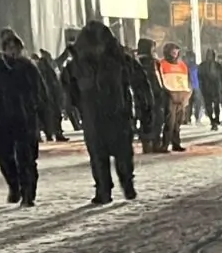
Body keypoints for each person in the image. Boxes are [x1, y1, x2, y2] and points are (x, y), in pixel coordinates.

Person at [63, 21, 138, 205]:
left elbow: (138, 83)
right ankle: (103, 190)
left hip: (117, 114)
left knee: (123, 156)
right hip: (94, 117)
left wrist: (145, 109)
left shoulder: (119, 61)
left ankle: (126, 183)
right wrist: (73, 107)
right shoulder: (76, 67)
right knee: (98, 156)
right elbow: (69, 90)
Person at [0, 29, 45, 206]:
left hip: (26, 119)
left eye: (15, 47)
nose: (13, 51)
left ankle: (28, 193)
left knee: (27, 158)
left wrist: (43, 117)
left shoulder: (29, 67)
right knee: (5, 158)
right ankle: (14, 187)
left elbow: (41, 93)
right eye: (9, 48)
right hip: (4, 118)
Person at [133, 37, 167, 153]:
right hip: (144, 95)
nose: (154, 50)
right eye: (152, 47)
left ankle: (156, 143)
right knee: (147, 119)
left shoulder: (155, 62)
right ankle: (147, 144)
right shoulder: (137, 62)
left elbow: (159, 78)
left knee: (158, 119)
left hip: (157, 94)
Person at [157, 42, 193, 152]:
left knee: (178, 121)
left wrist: (188, 93)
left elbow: (187, 80)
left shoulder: (182, 65)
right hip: (169, 95)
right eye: (173, 51)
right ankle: (165, 144)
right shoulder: (161, 64)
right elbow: (160, 80)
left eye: (176, 51)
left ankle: (176, 143)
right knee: (170, 121)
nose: (175, 53)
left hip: (181, 95)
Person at [34, 41, 68, 141]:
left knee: (54, 115)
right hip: (49, 95)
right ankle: (52, 133)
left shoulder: (51, 65)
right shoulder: (44, 66)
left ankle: (55, 133)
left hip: (53, 94)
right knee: (50, 115)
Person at [198, 50, 222, 131]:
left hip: (216, 88)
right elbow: (200, 77)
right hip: (206, 89)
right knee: (208, 106)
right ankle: (212, 121)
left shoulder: (218, 66)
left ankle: (216, 120)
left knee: (217, 106)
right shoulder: (202, 66)